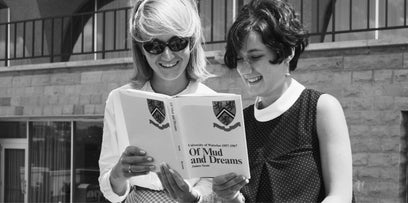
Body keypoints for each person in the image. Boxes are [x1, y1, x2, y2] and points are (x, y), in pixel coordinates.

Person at [212, 0, 353, 202]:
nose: (244, 69)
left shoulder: (321, 108)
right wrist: (228, 196)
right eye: (240, 59)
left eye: (255, 56)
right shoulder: (239, 122)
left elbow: (340, 196)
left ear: (287, 52)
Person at [98, 0, 216, 202]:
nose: (168, 55)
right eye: (154, 46)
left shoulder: (212, 102)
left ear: (192, 41)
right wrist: (119, 174)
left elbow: (213, 179)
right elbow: (110, 187)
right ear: (141, 49)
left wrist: (194, 197)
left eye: (178, 43)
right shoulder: (119, 100)